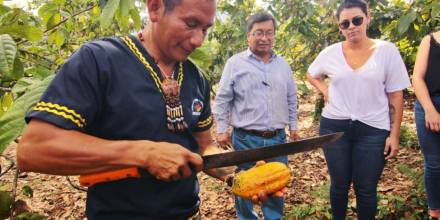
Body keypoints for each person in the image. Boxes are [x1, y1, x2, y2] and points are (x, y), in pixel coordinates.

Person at [15, 0, 236, 219]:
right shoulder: (99, 60)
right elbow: (34, 149)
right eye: (190, 23)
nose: (198, 40)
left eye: (206, 29)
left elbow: (204, 146)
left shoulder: (196, 78)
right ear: (155, 8)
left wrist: (236, 175)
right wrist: (143, 153)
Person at [306, 0, 411, 219]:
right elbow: (311, 73)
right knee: (339, 185)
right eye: (345, 23)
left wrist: (394, 135)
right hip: (334, 127)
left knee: (366, 188)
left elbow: (395, 95)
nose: (351, 26)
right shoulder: (331, 52)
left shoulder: (386, 51)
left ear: (367, 18)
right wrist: (324, 89)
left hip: (373, 129)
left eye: (357, 20)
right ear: (339, 27)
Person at [213, 11, 299, 220]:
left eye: (269, 33)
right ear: (248, 36)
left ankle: (273, 218)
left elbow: (291, 97)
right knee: (245, 185)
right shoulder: (235, 63)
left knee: (276, 183)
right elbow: (223, 98)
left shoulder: (283, 65)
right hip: (245, 138)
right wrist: (222, 129)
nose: (264, 38)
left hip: (277, 138)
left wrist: (294, 127)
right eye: (258, 32)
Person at [412, 30, 440, 219]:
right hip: (429, 103)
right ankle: (435, 212)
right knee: (435, 163)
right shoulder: (429, 40)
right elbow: (417, 78)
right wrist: (430, 109)